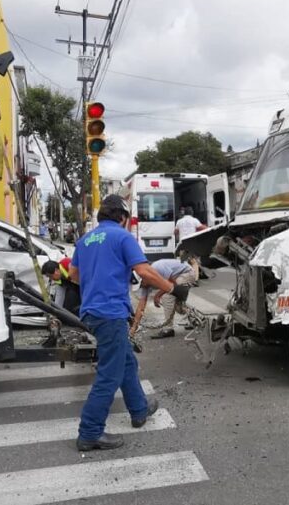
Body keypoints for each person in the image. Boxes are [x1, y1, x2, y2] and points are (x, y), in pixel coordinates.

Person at [69, 194, 189, 452]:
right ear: (122, 218)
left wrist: (98, 283)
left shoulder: (85, 240)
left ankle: (139, 409)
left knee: (126, 362)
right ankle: (89, 432)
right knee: (109, 374)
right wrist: (172, 289)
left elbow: (74, 275)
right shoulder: (122, 237)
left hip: (92, 311)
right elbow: (144, 271)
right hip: (110, 313)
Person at [131, 258, 198, 339]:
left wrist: (158, 295)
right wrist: (133, 328)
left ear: (144, 277)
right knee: (176, 306)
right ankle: (196, 319)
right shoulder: (146, 283)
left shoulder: (157, 268)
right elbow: (141, 306)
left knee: (167, 296)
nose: (142, 287)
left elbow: (172, 284)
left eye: (141, 284)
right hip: (177, 278)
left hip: (186, 273)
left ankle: (168, 329)